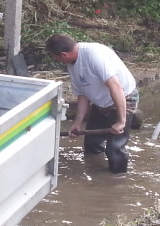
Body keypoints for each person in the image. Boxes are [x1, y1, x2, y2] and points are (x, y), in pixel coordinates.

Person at [46, 34, 138, 174]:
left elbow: (116, 87)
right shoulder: (72, 63)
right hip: (100, 102)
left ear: (63, 55)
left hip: (123, 98)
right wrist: (77, 122)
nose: (57, 61)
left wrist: (121, 121)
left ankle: (118, 179)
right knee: (92, 143)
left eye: (56, 58)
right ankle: (94, 171)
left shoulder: (94, 55)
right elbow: (83, 94)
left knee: (115, 148)